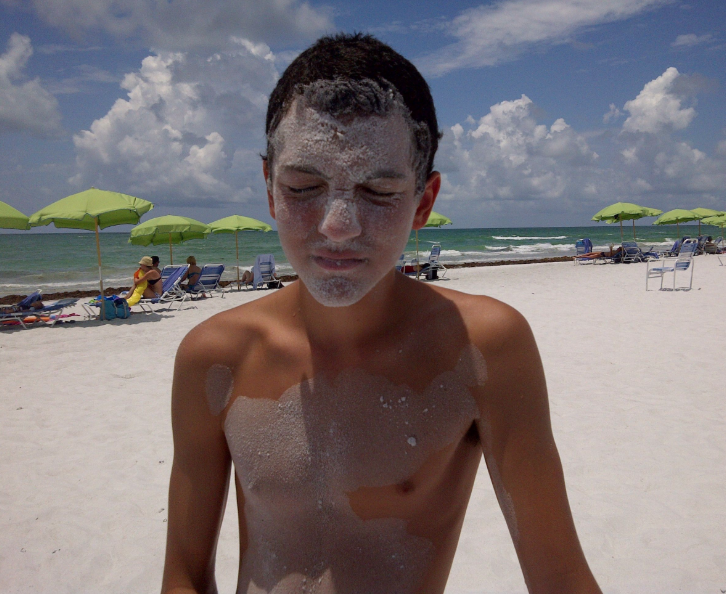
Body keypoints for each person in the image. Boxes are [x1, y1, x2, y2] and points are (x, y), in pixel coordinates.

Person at [162, 33, 601, 594]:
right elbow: (182, 577)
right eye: (304, 187)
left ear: (423, 202)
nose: (337, 224)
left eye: (378, 190)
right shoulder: (216, 357)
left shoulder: (482, 348)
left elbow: (559, 576)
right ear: (269, 189)